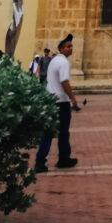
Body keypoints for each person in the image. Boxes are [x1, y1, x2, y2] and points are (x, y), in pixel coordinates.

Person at [35, 34, 80, 172]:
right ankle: (63, 159)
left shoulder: (54, 61)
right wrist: (72, 98)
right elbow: (64, 81)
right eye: (68, 47)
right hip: (61, 101)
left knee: (49, 132)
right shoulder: (64, 62)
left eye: (71, 46)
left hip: (51, 99)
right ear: (61, 48)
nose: (70, 49)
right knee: (63, 132)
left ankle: (40, 161)